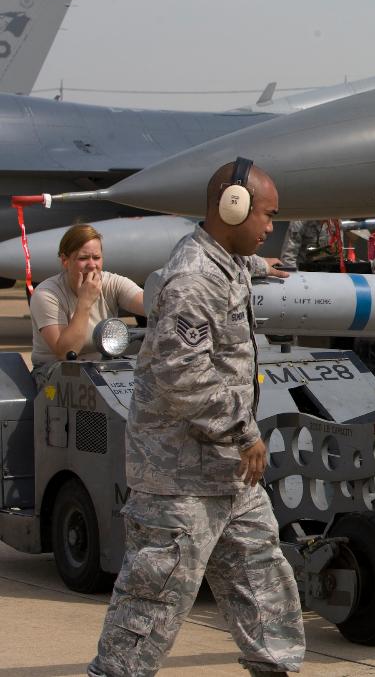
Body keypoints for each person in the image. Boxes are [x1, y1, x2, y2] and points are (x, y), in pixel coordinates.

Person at [88, 159, 305, 677]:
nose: (272, 228)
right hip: (179, 479)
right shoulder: (192, 278)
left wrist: (259, 268)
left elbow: (226, 276)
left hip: (228, 475)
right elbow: (179, 374)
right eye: (267, 216)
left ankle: (275, 668)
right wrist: (243, 430)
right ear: (233, 208)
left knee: (264, 581)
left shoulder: (225, 263)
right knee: (152, 604)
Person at [29, 224, 147, 375]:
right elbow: (66, 352)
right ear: (65, 260)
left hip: (102, 368)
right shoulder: (47, 294)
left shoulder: (112, 283)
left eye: (96, 258)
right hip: (56, 372)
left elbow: (151, 305)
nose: (92, 265)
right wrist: (84, 302)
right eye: (83, 258)